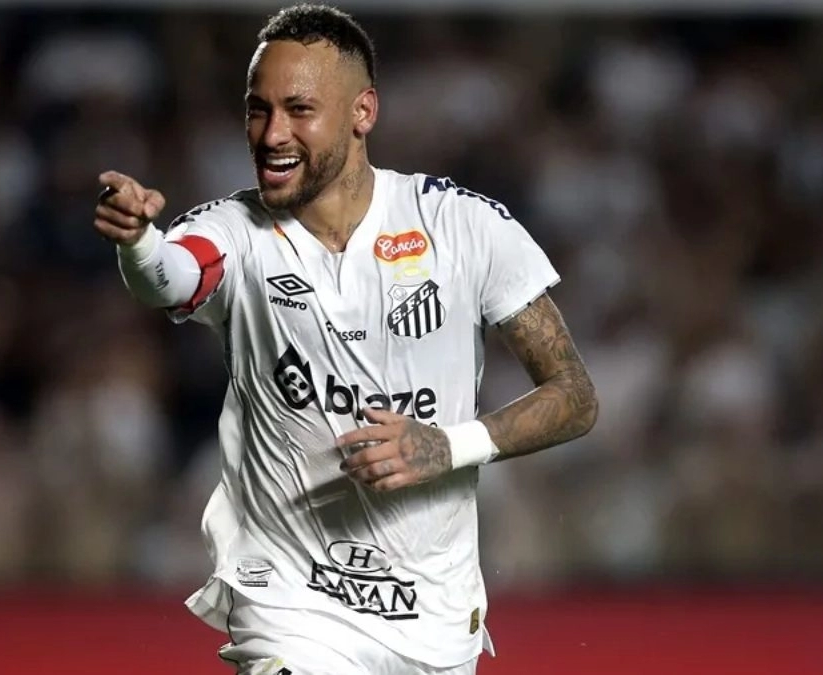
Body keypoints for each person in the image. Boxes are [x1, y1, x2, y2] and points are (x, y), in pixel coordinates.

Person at [92, 4, 598, 674]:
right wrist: (138, 242)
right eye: (258, 108)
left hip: (433, 618)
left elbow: (575, 395)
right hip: (290, 606)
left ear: (362, 113)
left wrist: (448, 444)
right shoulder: (235, 231)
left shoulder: (461, 227)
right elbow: (172, 276)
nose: (272, 132)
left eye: (299, 109)